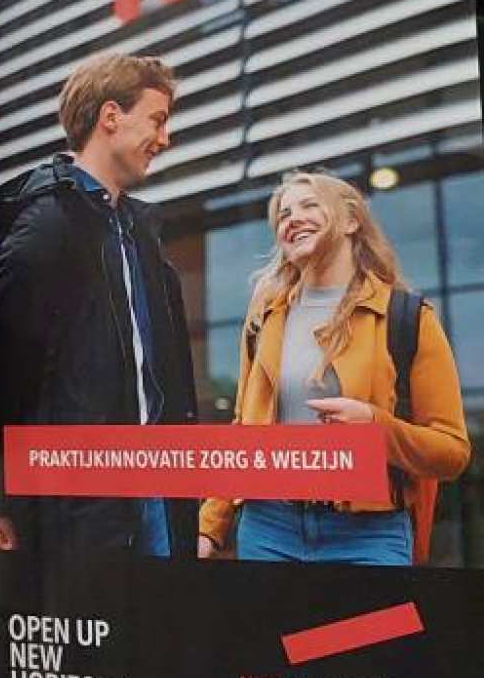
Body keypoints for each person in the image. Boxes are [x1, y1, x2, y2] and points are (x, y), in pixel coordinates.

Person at [0, 53, 199, 561]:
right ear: (111, 117)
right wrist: (2, 500)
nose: (164, 139)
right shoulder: (49, 227)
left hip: (157, 488)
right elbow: (4, 375)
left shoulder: (140, 232)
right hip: (82, 496)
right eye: (157, 120)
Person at [198, 171, 469, 565]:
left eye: (309, 205)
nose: (292, 218)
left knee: (369, 630)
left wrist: (376, 429)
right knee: (271, 631)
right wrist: (211, 525)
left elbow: (452, 451)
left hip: (369, 536)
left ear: (352, 221)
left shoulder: (407, 317)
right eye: (283, 214)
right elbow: (245, 435)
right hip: (268, 526)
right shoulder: (265, 319)